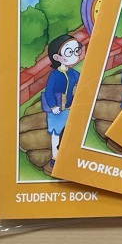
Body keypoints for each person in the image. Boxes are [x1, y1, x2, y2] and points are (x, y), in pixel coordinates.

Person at [41, 35, 82, 168]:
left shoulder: (73, 72)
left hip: (69, 108)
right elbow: (49, 91)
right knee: (56, 134)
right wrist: (53, 106)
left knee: (70, 132)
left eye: (76, 51)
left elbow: (82, 81)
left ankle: (69, 155)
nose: (74, 55)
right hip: (57, 111)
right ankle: (55, 156)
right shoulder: (54, 74)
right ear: (57, 57)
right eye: (69, 52)